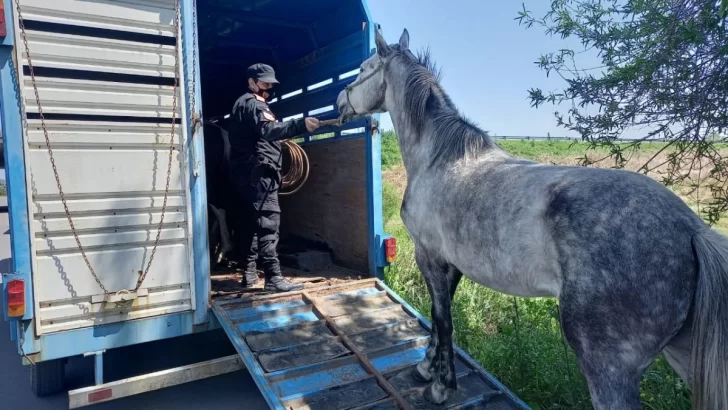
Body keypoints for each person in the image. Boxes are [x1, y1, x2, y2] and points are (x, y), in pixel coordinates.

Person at [227, 63, 321, 292]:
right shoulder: (254, 103)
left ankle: (249, 274)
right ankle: (273, 278)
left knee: (251, 223)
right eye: (265, 83)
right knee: (269, 223)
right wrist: (301, 124)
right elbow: (268, 130)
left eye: (271, 83)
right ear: (251, 82)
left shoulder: (241, 104)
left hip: (246, 173)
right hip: (260, 173)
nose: (269, 88)